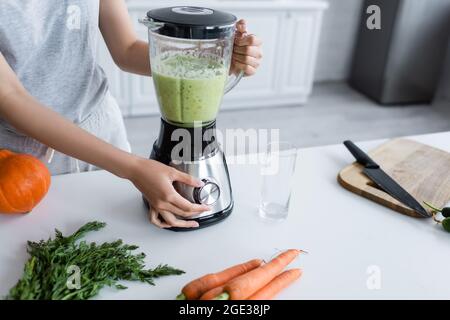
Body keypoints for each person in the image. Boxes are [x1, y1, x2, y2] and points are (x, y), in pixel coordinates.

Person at [0, 1, 262, 229]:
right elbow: (11, 98)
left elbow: (125, 49)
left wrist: (217, 58)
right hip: (22, 165)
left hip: (102, 131)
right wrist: (134, 168)